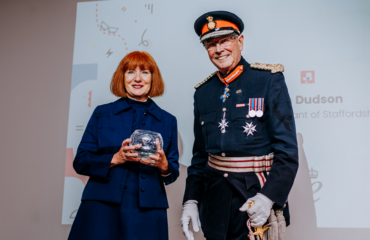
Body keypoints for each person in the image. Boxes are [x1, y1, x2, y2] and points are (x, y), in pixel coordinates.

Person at [181, 11, 298, 240]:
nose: (219, 49)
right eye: (211, 44)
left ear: (240, 41)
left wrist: (269, 197)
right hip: (214, 204)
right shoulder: (203, 93)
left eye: (225, 40)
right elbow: (200, 156)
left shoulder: (267, 80)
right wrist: (191, 199)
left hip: (255, 200)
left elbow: (287, 152)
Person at [68, 51, 179, 240]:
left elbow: (172, 172)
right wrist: (116, 158)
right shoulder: (102, 113)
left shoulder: (168, 120)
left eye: (144, 72)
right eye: (130, 72)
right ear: (122, 77)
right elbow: (80, 162)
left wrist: (163, 165)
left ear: (153, 78)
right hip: (101, 206)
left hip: (148, 210)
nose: (137, 78)